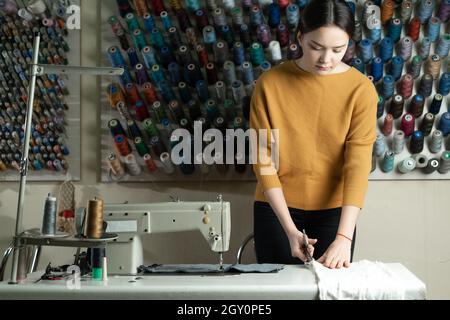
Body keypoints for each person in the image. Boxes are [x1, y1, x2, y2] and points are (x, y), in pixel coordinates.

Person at [249, 0, 378, 269]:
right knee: (275, 293)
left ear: (349, 44)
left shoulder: (360, 90)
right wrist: (289, 229)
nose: (326, 59)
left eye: (337, 50)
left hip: (335, 212)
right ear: (300, 38)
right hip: (276, 209)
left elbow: (357, 165)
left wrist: (344, 237)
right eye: (316, 47)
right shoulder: (270, 84)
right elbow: (263, 159)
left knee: (329, 292)